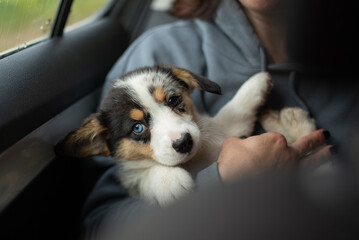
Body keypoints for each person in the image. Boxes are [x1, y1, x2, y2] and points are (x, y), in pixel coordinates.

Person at [81, 0, 359, 239]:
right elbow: (102, 226)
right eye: (141, 126)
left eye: (174, 102)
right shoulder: (156, 56)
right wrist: (221, 183)